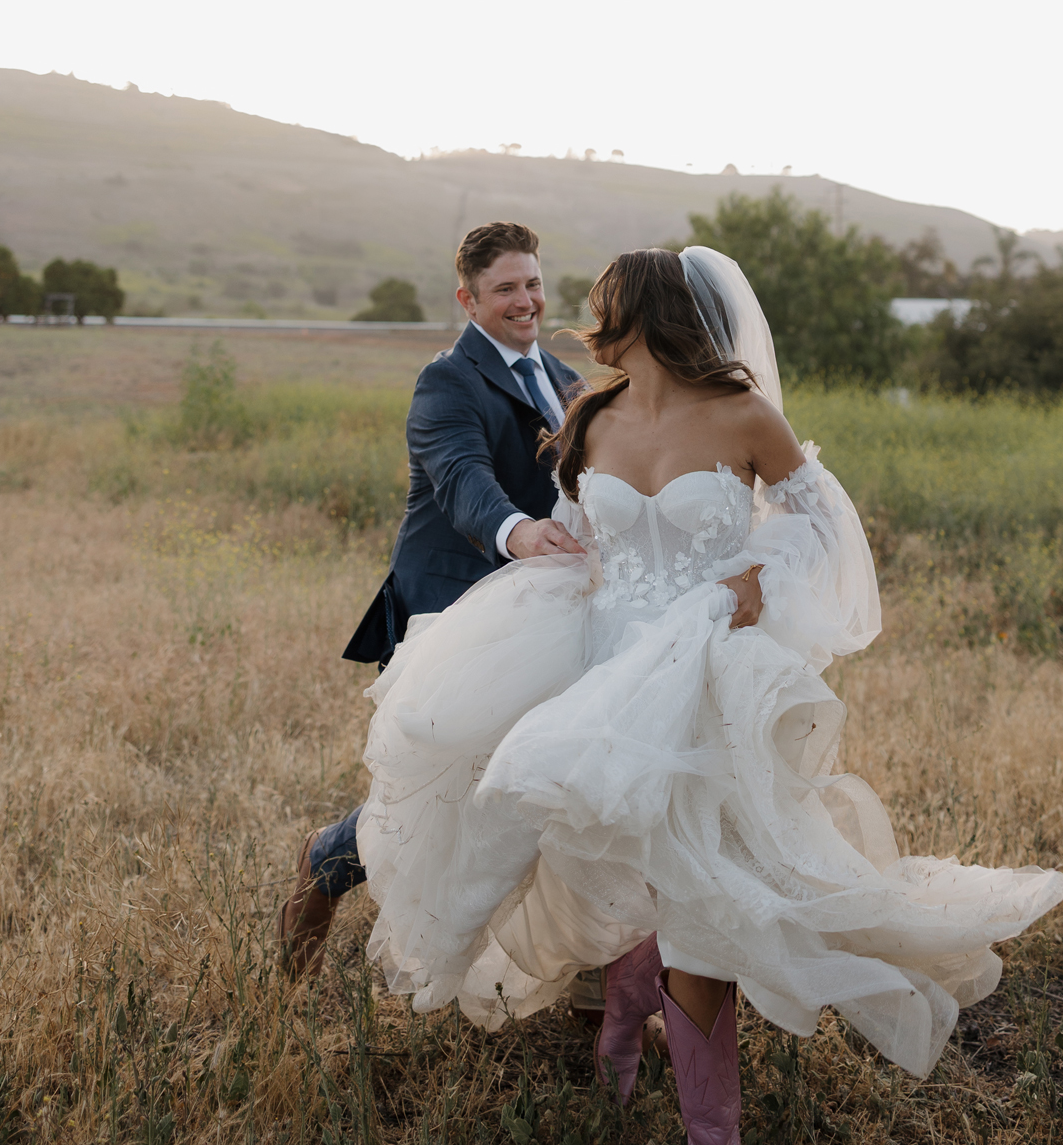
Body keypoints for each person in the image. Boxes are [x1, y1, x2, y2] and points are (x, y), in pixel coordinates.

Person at [354, 246, 1063, 1144]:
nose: (584, 311)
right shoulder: (593, 413)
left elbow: (827, 530)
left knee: (703, 897)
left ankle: (708, 1127)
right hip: (602, 667)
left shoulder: (742, 415)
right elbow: (579, 529)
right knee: (610, 866)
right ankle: (621, 1016)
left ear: (642, 315)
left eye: (604, 300)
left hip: (706, 673)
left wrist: (753, 572)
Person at [277, 221, 585, 977]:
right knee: (437, 795)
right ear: (468, 299)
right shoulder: (447, 380)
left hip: (544, 614)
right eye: (507, 288)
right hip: (451, 608)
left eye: (533, 283)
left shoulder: (569, 378)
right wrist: (519, 533)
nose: (526, 300)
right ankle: (327, 860)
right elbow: (460, 479)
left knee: (534, 783)